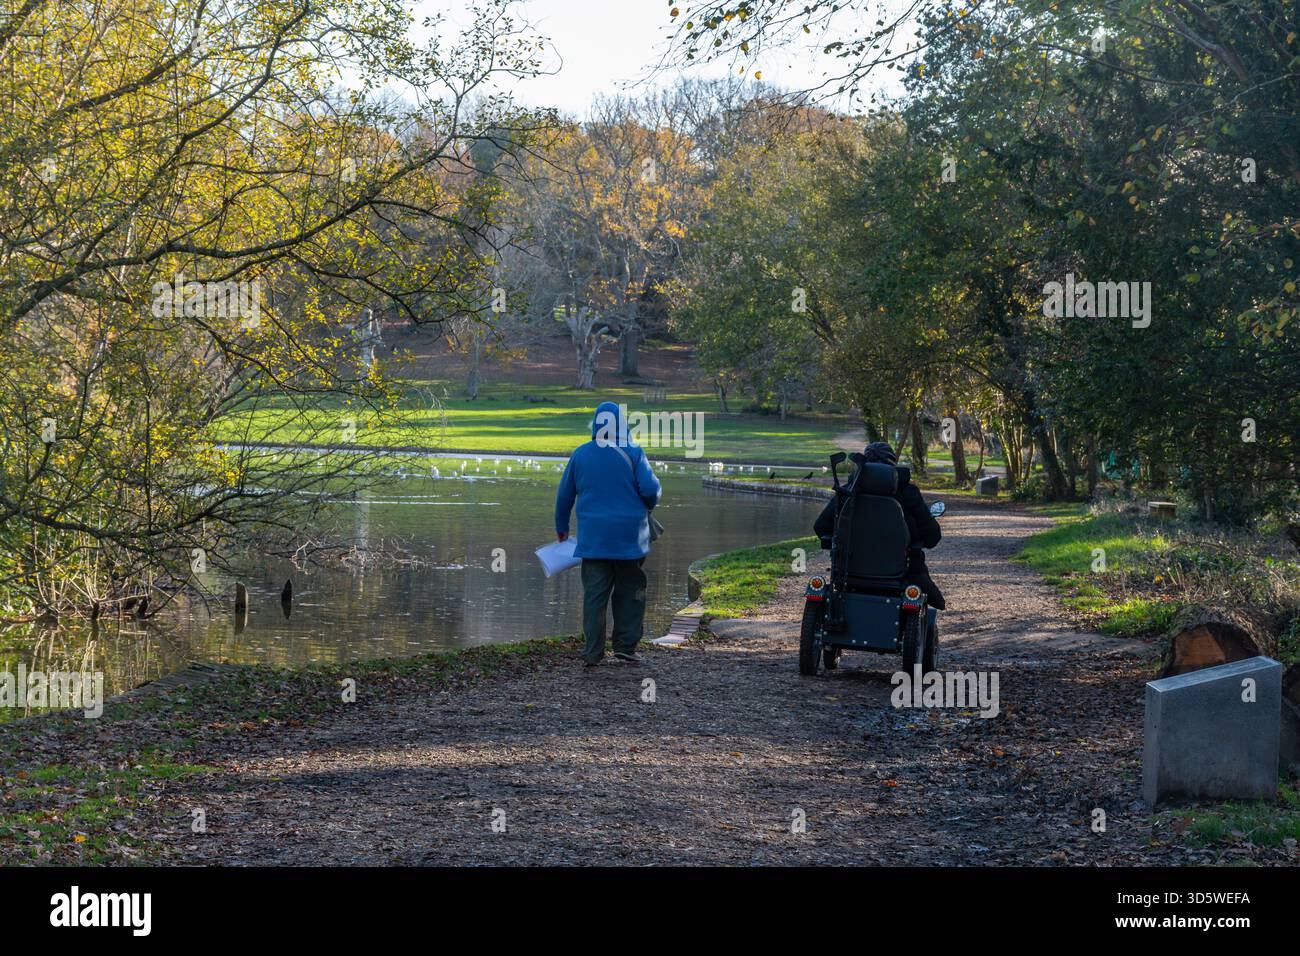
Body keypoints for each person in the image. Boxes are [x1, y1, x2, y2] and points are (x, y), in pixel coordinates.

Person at [555, 401, 662, 666]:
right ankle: (625, 647)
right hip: (630, 538)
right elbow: (650, 490)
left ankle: (593, 652)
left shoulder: (581, 454)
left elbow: (564, 496)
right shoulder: (634, 452)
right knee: (630, 592)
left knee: (595, 596)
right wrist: (646, 506)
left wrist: (562, 527)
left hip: (594, 540)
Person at [813, 441, 945, 609]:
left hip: (849, 573)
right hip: (900, 575)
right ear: (892, 466)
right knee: (927, 596)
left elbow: (820, 527)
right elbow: (933, 537)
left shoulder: (847, 491)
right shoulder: (909, 493)